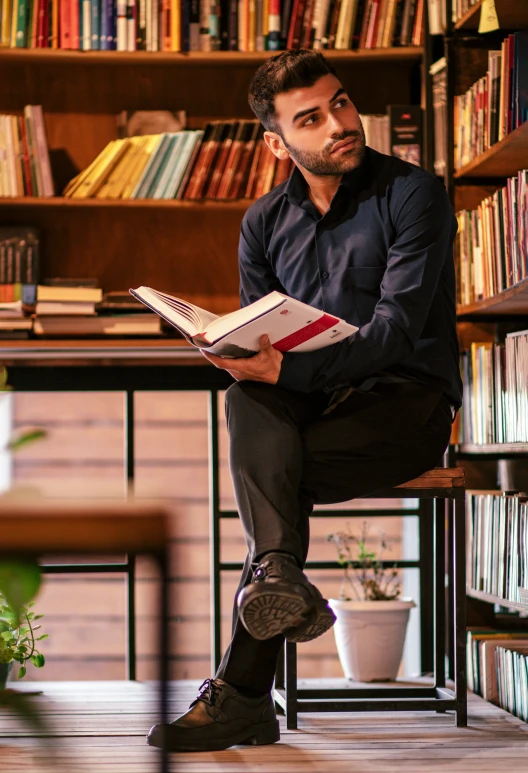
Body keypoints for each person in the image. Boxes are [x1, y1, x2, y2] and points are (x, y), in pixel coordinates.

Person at [147, 49, 462, 753]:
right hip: (316, 410)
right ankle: (277, 584)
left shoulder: (415, 194)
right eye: (311, 118)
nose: (339, 124)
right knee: (245, 404)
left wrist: (282, 372)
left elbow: (393, 334)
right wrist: (235, 351)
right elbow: (258, 338)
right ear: (276, 142)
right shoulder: (262, 222)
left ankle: (243, 688)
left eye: (341, 103)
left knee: (273, 469)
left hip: (405, 405)